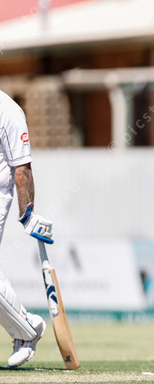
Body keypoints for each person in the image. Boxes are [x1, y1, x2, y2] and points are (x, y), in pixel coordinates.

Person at [0, 90, 54, 367]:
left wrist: (27, 214)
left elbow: (22, 168)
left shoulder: (8, 110)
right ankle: (27, 323)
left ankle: (26, 330)